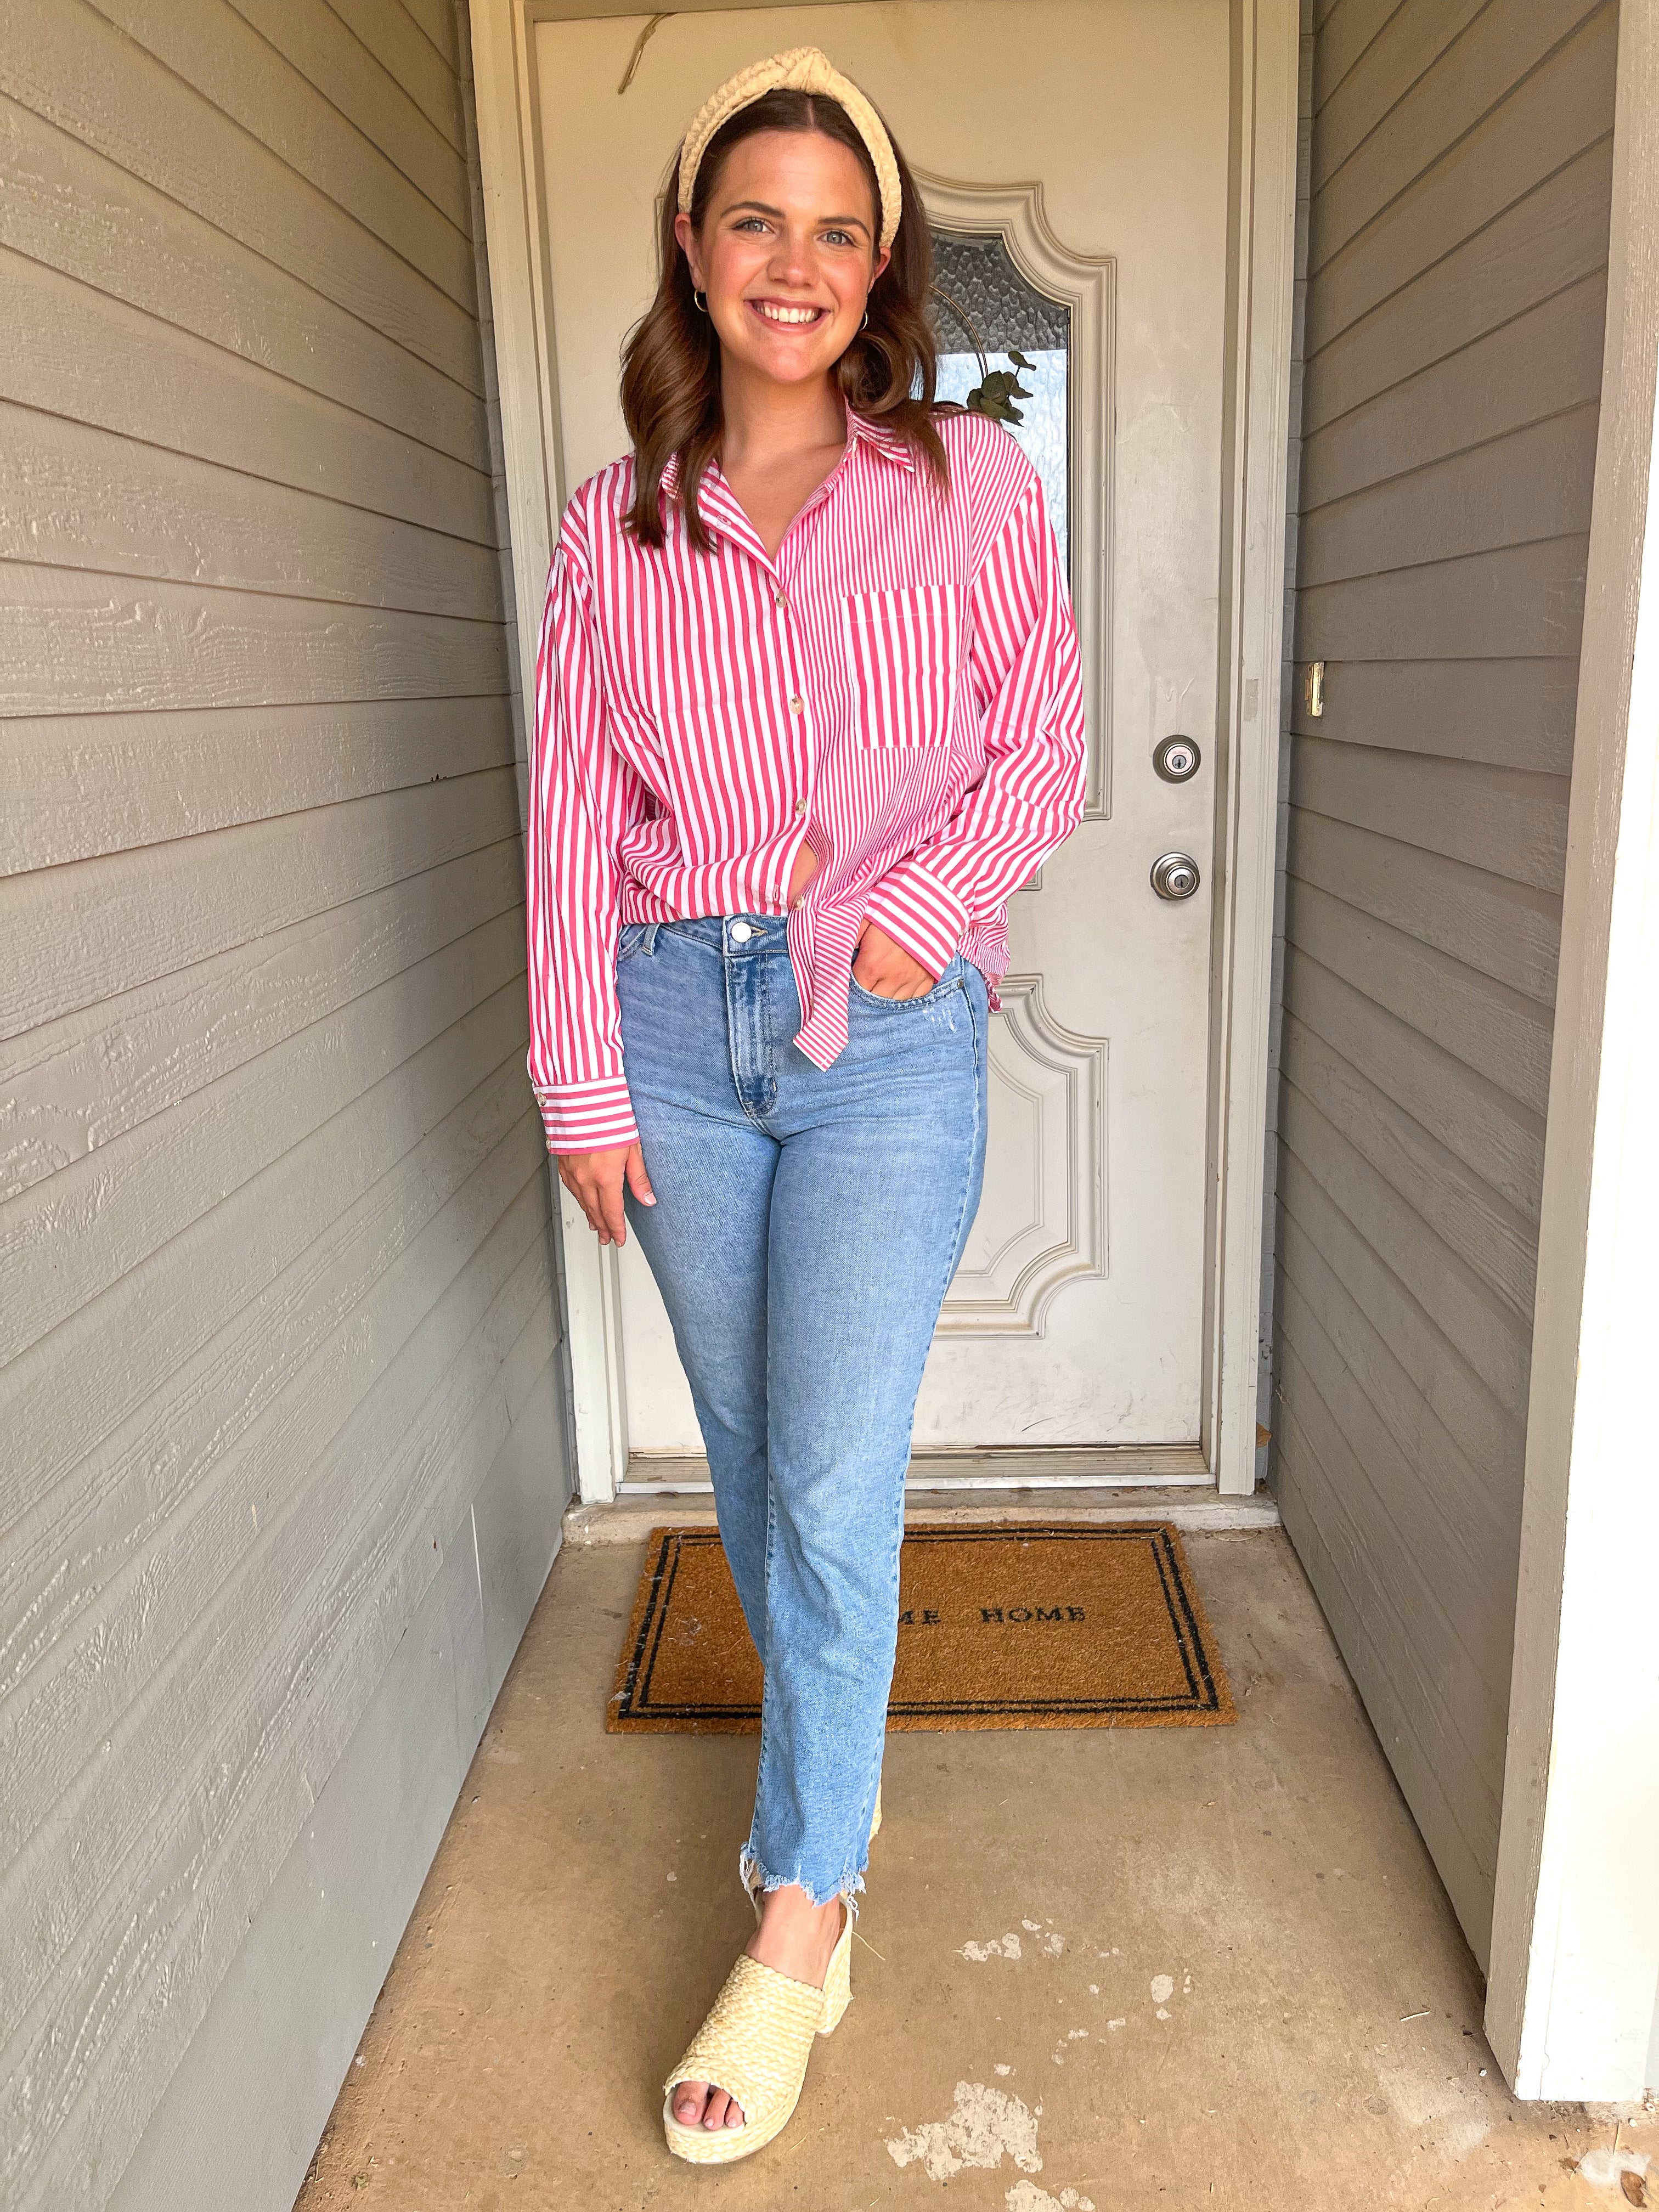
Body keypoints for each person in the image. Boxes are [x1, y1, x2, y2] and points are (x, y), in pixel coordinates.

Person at [524, 44, 1086, 2165]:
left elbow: (1041, 739)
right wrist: (582, 1072)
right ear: (693, 245)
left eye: (839, 231)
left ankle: (802, 1911)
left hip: (880, 1040)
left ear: (882, 271)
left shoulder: (967, 485)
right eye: (757, 218)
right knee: (760, 1462)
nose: (798, 261)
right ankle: (833, 1810)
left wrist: (913, 919)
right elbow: (575, 809)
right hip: (671, 1021)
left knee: (833, 1478)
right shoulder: (620, 525)